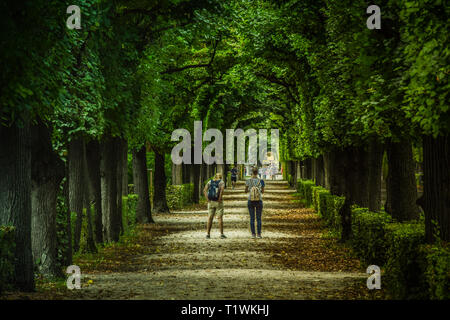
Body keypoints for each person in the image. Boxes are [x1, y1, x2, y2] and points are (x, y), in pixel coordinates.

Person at [203, 172, 226, 239]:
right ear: (221, 177)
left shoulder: (210, 182)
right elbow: (221, 191)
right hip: (218, 202)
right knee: (220, 218)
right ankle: (221, 234)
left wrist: (207, 199)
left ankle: (208, 234)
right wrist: (219, 199)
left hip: (211, 202)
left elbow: (204, 190)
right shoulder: (221, 182)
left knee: (210, 218)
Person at [245, 167, 265, 238]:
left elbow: (245, 190)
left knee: (252, 218)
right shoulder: (261, 181)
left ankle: (253, 234)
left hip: (250, 200)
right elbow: (263, 191)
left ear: (252, 172)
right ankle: (259, 234)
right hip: (259, 200)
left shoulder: (248, 181)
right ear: (257, 172)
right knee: (259, 218)